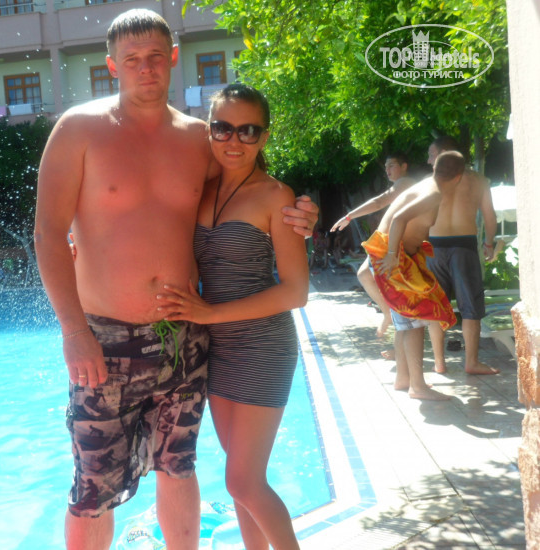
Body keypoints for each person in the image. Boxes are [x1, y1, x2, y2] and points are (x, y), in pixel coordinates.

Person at [33, 9, 318, 549]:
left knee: (179, 467)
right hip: (105, 341)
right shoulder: (79, 130)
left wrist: (303, 211)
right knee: (93, 487)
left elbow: (249, 185)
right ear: (112, 66)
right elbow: (47, 234)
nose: (146, 69)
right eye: (132, 60)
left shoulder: (197, 141)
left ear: (173, 59)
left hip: (184, 340)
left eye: (155, 57)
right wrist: (74, 332)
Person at [156, 84, 308, 549]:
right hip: (217, 348)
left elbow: (296, 291)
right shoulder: (200, 191)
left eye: (248, 131)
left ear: (264, 137)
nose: (234, 140)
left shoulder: (276, 196)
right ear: (209, 130)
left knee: (243, 481)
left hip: (263, 346)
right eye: (223, 128)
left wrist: (210, 312)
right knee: (240, 479)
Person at [366, 151, 466, 400]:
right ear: (458, 177)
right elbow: (399, 219)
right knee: (416, 321)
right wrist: (392, 255)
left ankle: (404, 378)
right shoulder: (433, 193)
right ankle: (418, 387)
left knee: (405, 324)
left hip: (394, 257)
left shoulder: (426, 185)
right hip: (392, 258)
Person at [425, 136, 499, 375]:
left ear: (445, 152)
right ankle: (471, 362)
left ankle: (439, 362)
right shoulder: (479, 180)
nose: (429, 160)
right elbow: (489, 216)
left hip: (434, 247)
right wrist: (488, 244)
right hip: (464, 247)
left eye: (432, 154)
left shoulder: (431, 181)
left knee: (437, 307)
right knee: (470, 307)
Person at [331, 152, 416, 341]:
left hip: (393, 244)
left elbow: (379, 202)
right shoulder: (403, 184)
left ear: (404, 166)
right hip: (389, 243)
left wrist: (349, 216)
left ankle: (398, 333)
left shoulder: (405, 183)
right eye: (385, 166)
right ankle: (389, 317)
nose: (387, 170)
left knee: (395, 293)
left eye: (392, 165)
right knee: (364, 275)